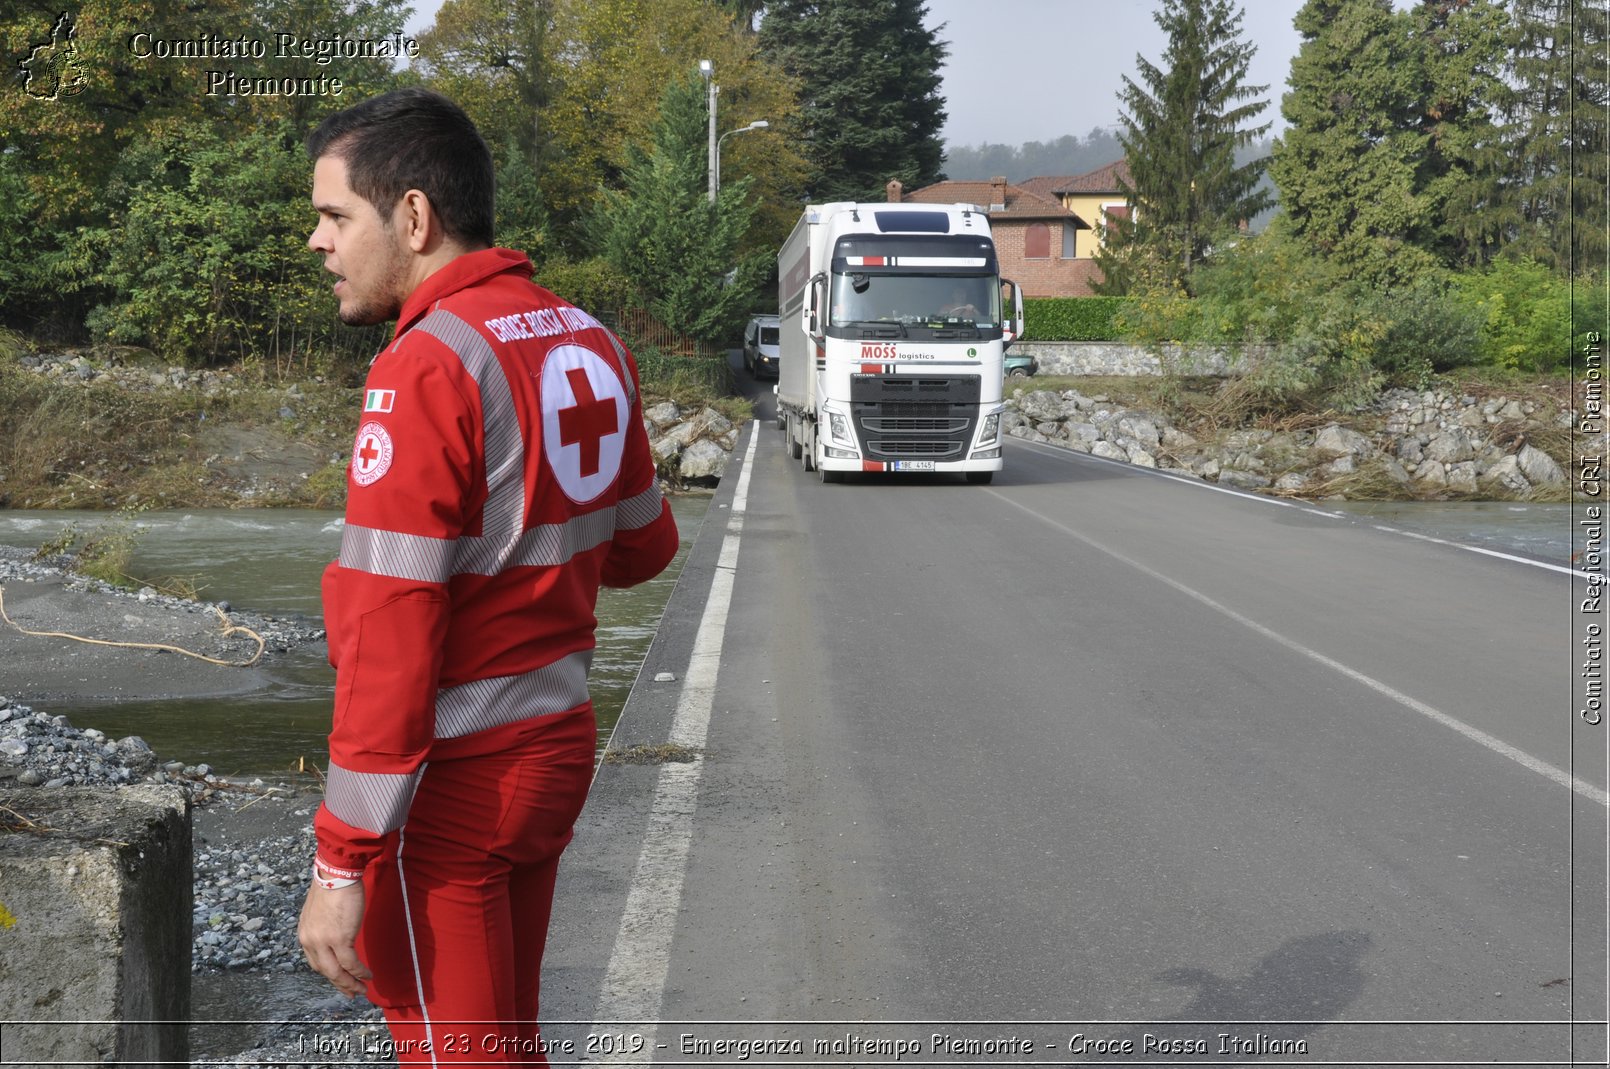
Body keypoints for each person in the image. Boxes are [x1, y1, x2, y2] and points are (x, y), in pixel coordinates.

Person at [296, 88, 679, 1064]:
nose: (316, 241)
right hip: (552, 752)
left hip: (452, 789)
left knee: (449, 1048)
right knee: (504, 1039)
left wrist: (341, 858)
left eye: (335, 216)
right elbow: (643, 547)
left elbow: (388, 631)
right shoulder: (586, 337)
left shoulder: (424, 366)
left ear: (413, 218)